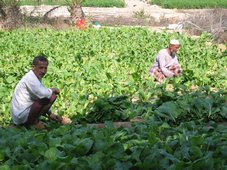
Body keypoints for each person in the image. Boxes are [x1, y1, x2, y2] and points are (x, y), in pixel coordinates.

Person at [10, 55, 71, 129]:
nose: (43, 71)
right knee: (51, 96)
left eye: (45, 68)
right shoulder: (30, 78)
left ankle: (35, 121)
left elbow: (39, 94)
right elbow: (42, 94)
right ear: (33, 67)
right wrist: (53, 89)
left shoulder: (35, 77)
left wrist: (50, 113)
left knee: (48, 95)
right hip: (21, 115)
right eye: (40, 68)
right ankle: (33, 123)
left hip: (21, 113)